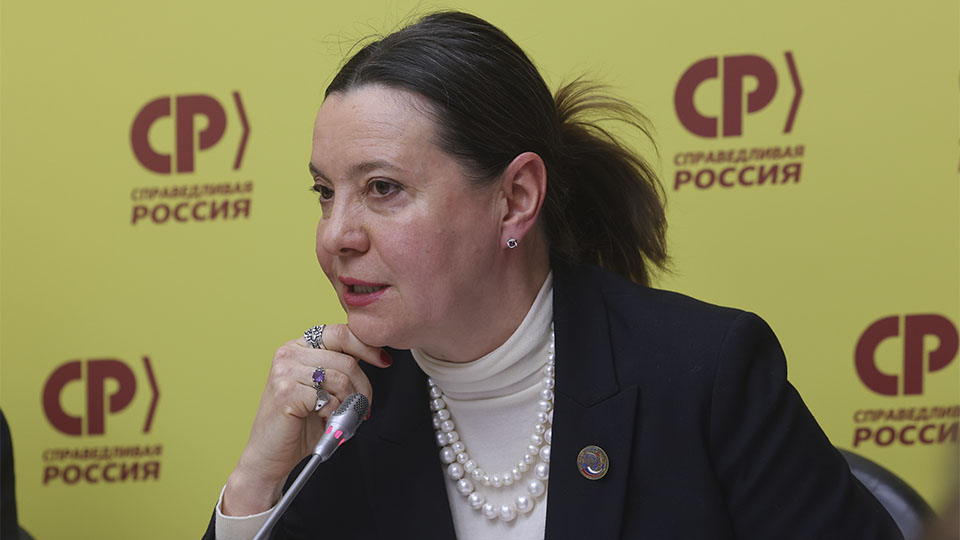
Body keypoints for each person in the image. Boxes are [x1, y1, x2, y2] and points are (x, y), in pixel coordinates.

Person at [203, 10, 902, 540]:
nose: (336, 236)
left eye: (382, 189)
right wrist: (256, 480)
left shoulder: (705, 375)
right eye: (325, 193)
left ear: (515, 198)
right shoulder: (346, 410)